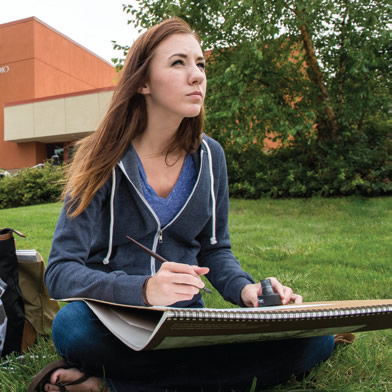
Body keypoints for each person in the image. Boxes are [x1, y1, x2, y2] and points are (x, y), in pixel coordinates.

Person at [28, 17, 334, 392]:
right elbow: (60, 271)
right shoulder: (100, 158)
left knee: (318, 338)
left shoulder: (210, 157)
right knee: (72, 328)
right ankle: (213, 374)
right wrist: (143, 289)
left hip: (187, 324)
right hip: (114, 322)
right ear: (142, 82)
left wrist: (245, 291)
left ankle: (112, 386)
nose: (197, 76)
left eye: (200, 64)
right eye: (178, 63)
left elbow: (216, 249)